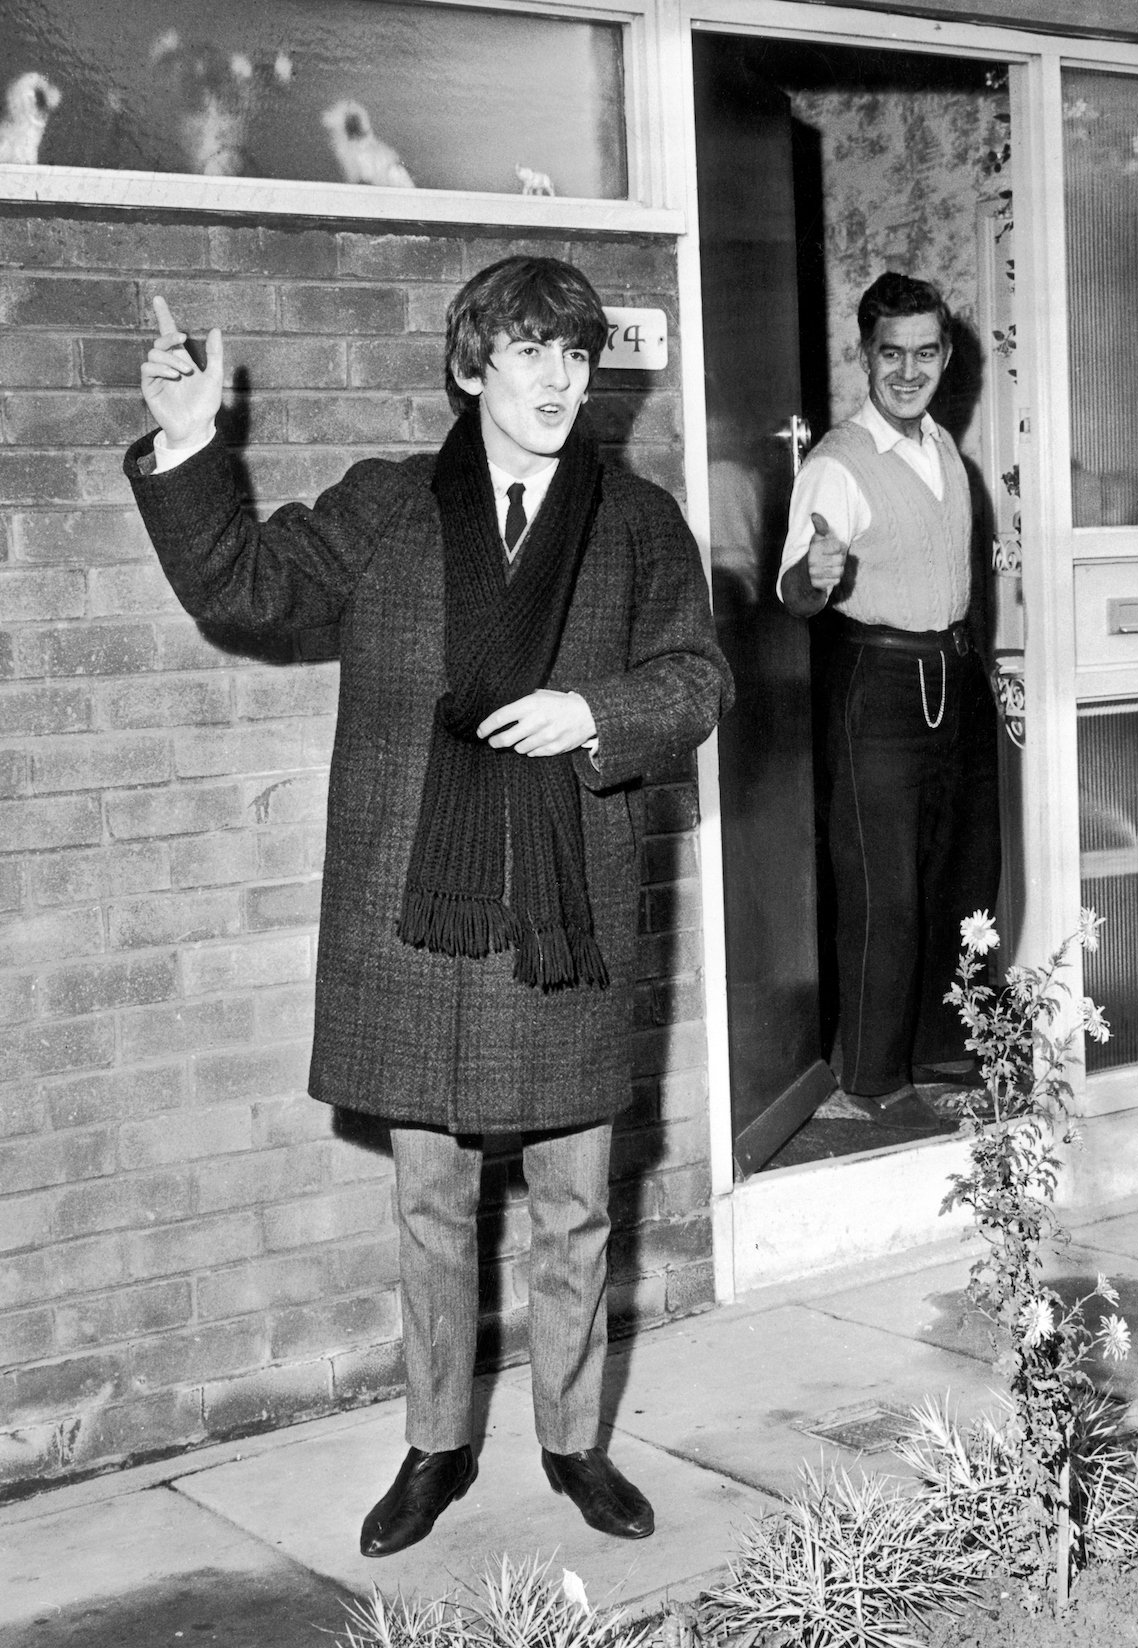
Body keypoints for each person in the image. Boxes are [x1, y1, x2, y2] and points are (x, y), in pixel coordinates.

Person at [125, 257, 733, 1556]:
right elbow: (247, 585)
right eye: (529, 352)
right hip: (425, 921)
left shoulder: (636, 524)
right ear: (471, 368)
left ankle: (574, 1447)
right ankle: (436, 1445)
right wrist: (189, 445)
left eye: (575, 353)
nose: (561, 377)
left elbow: (693, 675)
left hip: (566, 916)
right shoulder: (388, 508)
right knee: (431, 1208)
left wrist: (597, 712)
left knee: (575, 1210)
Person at [778, 271, 1000, 1133]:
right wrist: (814, 576)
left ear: (945, 356)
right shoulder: (837, 461)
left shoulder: (946, 450)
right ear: (864, 357)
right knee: (885, 890)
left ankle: (945, 1054)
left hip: (956, 675)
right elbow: (793, 590)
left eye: (925, 353)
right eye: (891, 355)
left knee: (960, 875)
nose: (908, 371)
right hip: (878, 682)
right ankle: (870, 1081)